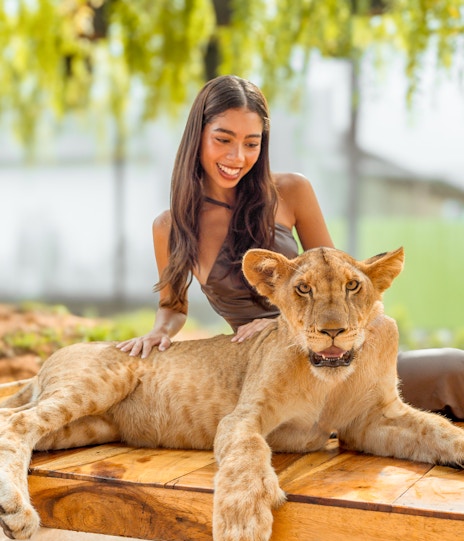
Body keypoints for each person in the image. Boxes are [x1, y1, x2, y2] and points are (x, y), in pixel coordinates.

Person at [116, 75, 464, 420]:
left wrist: (281, 321)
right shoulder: (170, 227)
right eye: (223, 140)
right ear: (198, 136)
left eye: (251, 144)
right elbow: (172, 306)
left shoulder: (291, 191)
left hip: (335, 354)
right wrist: (160, 331)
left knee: (454, 369)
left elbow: (339, 286)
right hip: (267, 373)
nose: (237, 157)